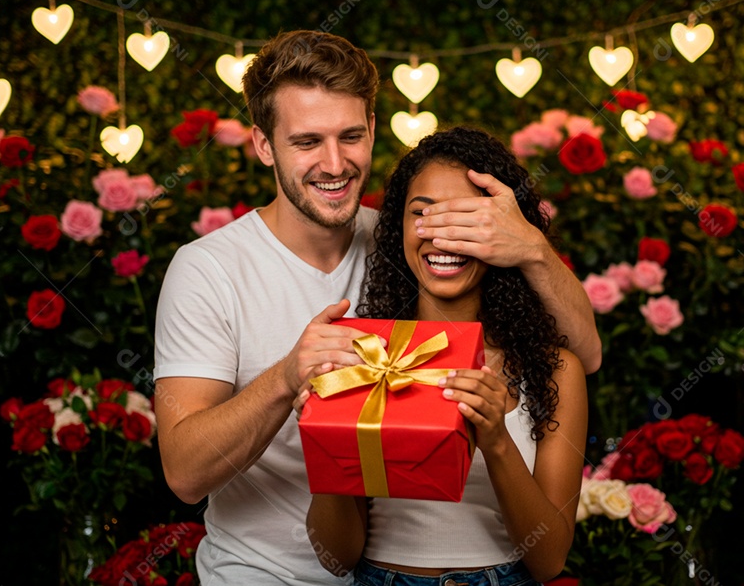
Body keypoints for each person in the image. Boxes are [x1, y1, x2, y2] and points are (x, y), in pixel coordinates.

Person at [153, 30, 600, 585]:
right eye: (307, 141)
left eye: (351, 136)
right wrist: (291, 379)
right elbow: (185, 474)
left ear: (372, 132)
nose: (334, 163)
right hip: (266, 573)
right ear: (264, 145)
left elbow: (583, 353)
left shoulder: (403, 244)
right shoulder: (207, 269)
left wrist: (531, 244)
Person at [303, 126, 586, 585]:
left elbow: (550, 558)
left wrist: (494, 439)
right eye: (423, 213)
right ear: (398, 228)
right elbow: (336, 558)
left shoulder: (554, 371)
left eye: (465, 217)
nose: (440, 234)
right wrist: (327, 441)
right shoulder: (364, 356)